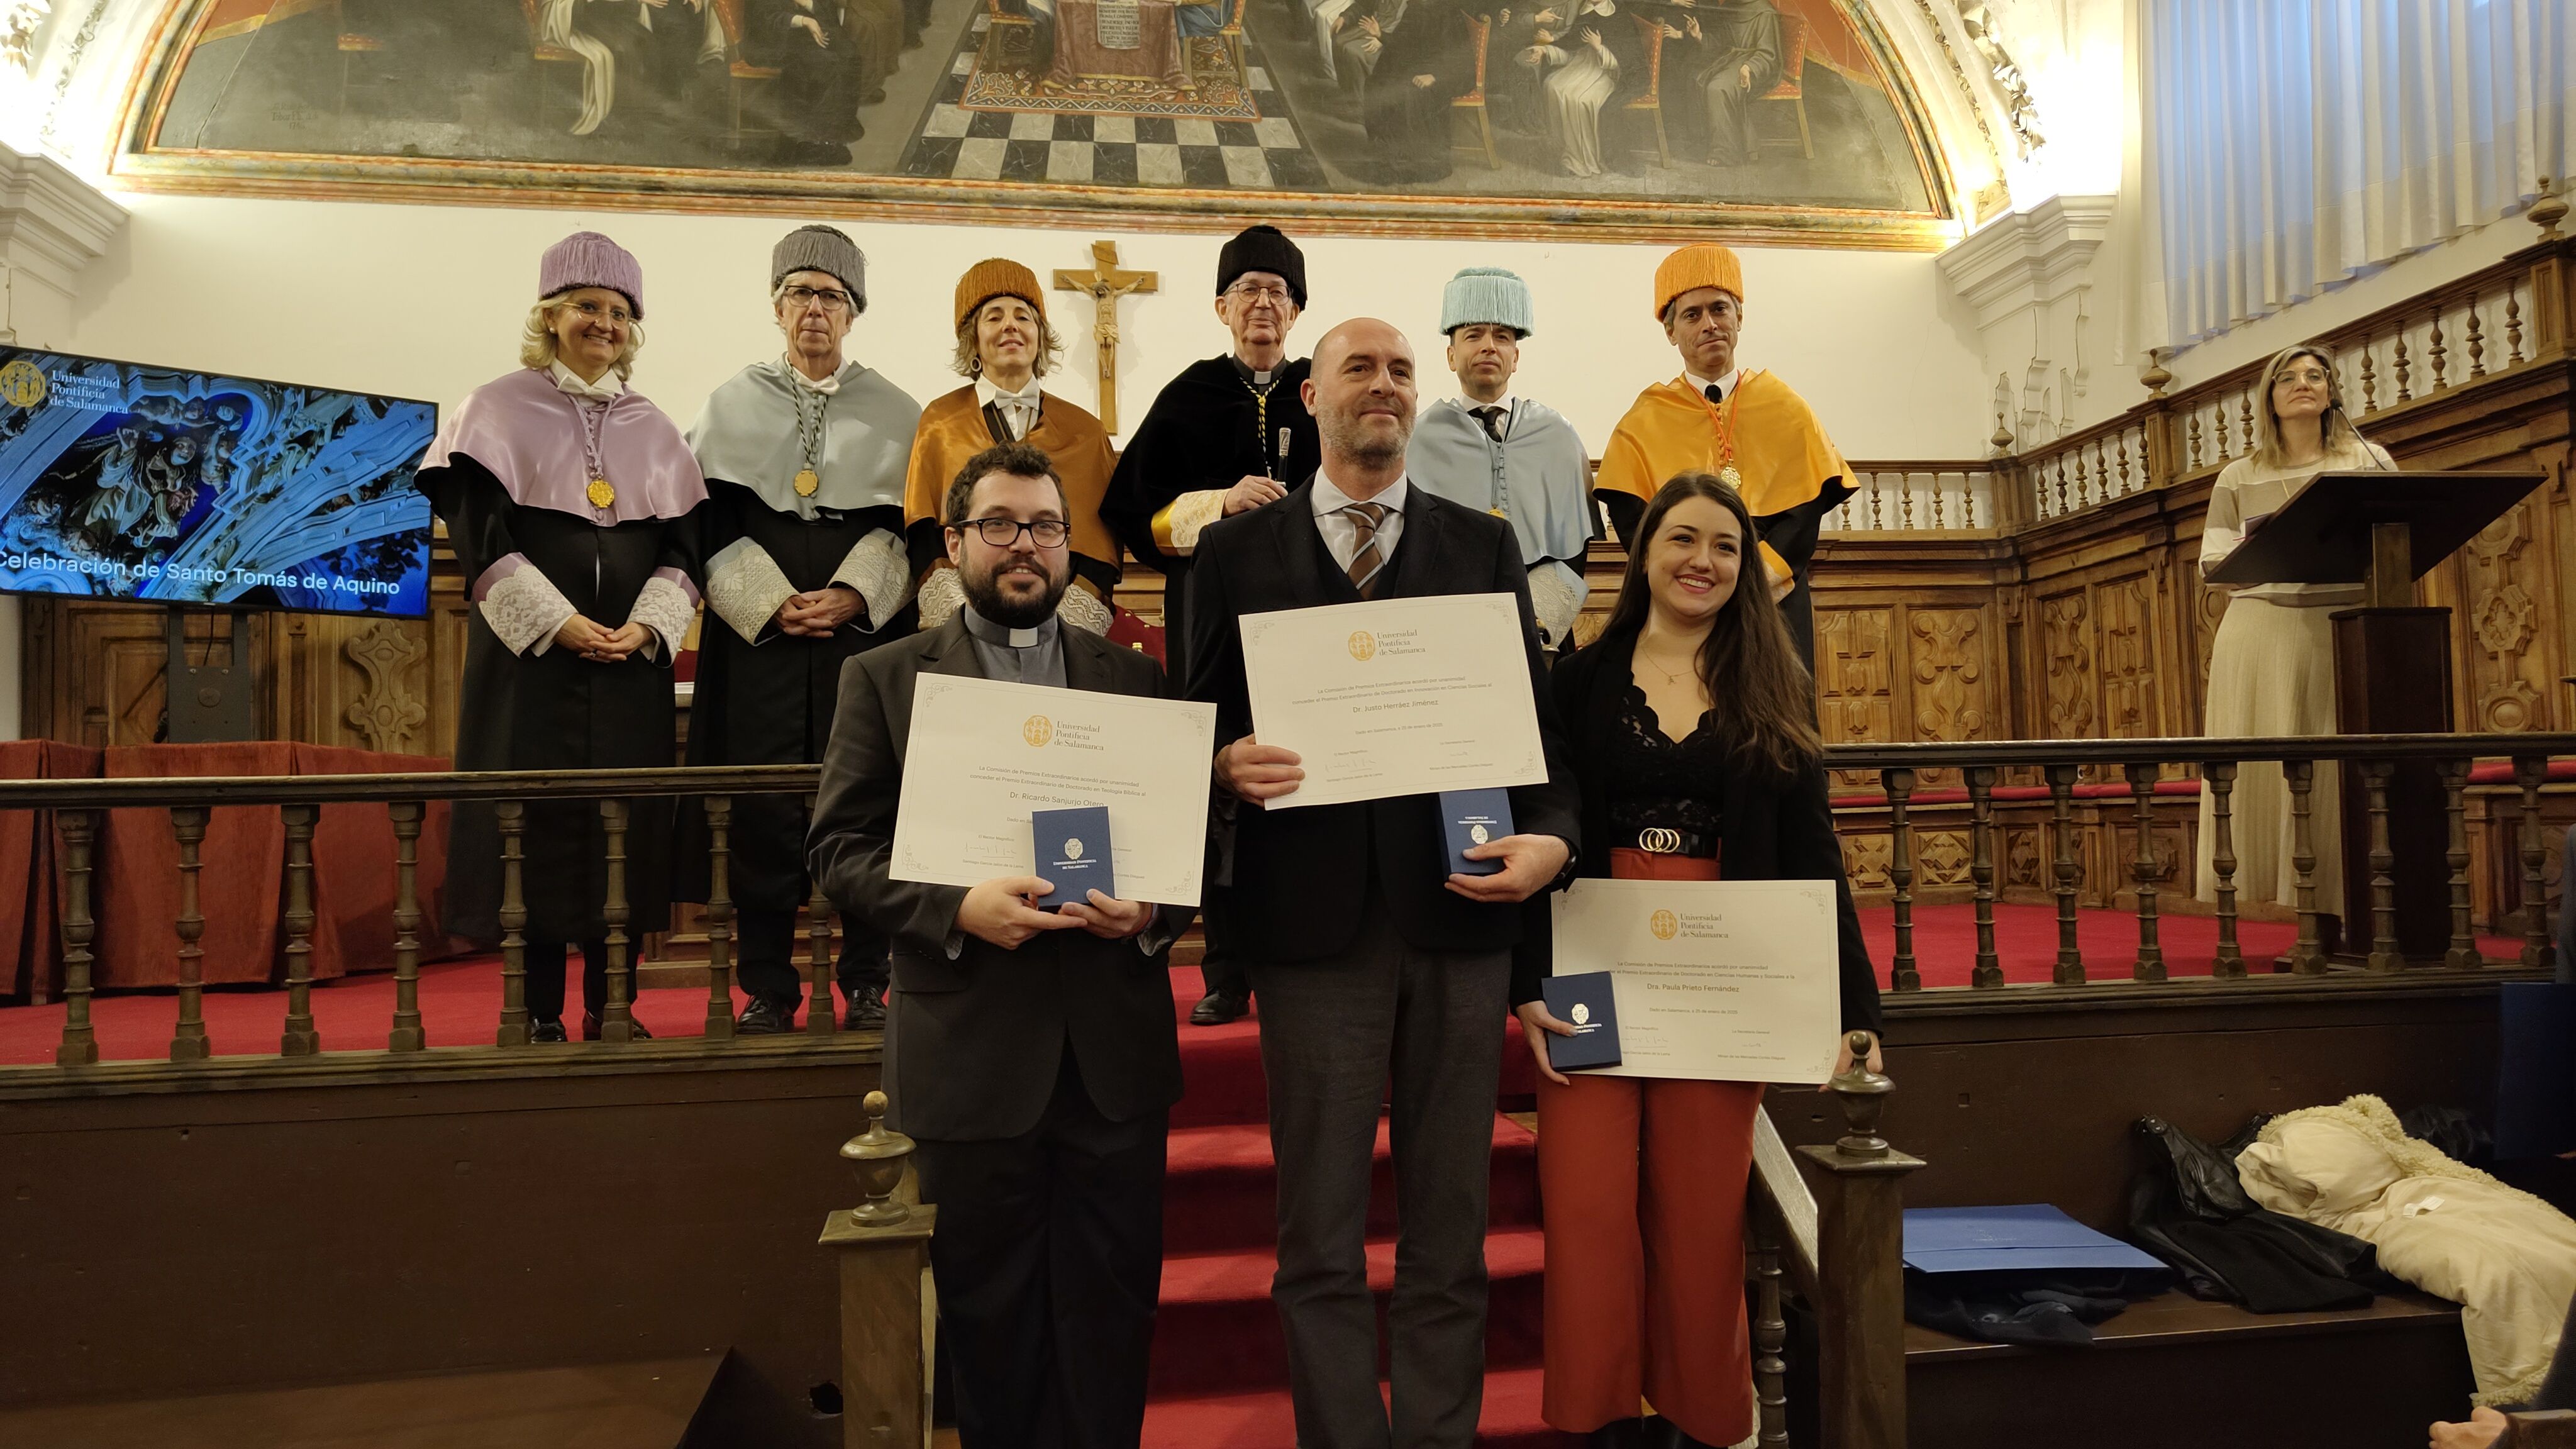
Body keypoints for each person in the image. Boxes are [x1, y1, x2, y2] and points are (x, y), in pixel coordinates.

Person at [1184, 317, 1581, 1449]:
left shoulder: (1480, 544)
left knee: (1448, 1232)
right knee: (1318, 1234)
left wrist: (1551, 835)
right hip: (1310, 934)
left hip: (1460, 921)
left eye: (1401, 370)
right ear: (1308, 395)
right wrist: (1220, 763)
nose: (1384, 386)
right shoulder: (1233, 556)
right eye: (1359, 367)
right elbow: (1194, 720)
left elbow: (1533, 729)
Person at [806, 441, 1191, 1449]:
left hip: (1112, 1055)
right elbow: (840, 850)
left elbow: (1190, 852)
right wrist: (953, 906)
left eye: (1047, 528)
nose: (1026, 546)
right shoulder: (885, 678)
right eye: (1002, 526)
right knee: (989, 1316)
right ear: (954, 544)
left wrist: (1153, 911)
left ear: (1071, 547)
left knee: (1113, 1311)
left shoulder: (1134, 680)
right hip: (970, 1051)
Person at [1510, 471, 1880, 1449]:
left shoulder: (1772, 682)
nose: (1701, 561)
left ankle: (1699, 1419)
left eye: (1723, 545)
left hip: (1729, 972)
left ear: (1742, 567)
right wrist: (1523, 987)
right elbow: (1534, 825)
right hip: (1593, 963)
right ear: (1644, 554)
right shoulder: (1581, 680)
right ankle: (1599, 1419)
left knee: (1702, 1213)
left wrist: (1855, 1007)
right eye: (1681, 539)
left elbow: (1813, 852)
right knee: (1587, 1205)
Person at [414, 231, 706, 1042]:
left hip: (628, 673)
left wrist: (645, 627)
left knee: (622, 833)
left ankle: (614, 1006)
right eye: (587, 307)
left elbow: (686, 553)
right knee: (535, 837)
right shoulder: (494, 408)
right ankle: (540, 1011)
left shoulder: (656, 427)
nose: (603, 324)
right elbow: (481, 540)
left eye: (618, 313)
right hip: (532, 672)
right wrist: (562, 626)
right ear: (550, 316)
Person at [683, 225, 921, 1035]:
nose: (814, 310)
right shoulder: (728, 403)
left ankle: (866, 980)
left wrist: (857, 593)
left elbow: (913, 530)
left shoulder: (896, 410)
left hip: (861, 641)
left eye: (830, 296)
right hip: (764, 644)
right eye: (798, 295)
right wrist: (766, 599)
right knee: (761, 808)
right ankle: (768, 987)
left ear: (853, 313)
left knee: (868, 799)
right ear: (777, 309)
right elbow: (707, 523)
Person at [1101, 223, 1322, 1028]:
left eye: (1278, 293)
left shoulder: (1319, 388)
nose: (1263, 306)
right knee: (1219, 783)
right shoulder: (1188, 395)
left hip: (1308, 628)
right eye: (1249, 292)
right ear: (1222, 307)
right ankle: (1226, 970)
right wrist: (1217, 503)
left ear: (1296, 311)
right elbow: (1133, 517)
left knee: (1302, 779)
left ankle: (1299, 957)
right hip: (1212, 619)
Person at [2193, 343, 2392, 940]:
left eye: (2315, 376)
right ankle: (2303, 914)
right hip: (2261, 631)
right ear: (2270, 398)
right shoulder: (2240, 474)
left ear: (2332, 392)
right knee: (2269, 770)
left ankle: (2349, 911)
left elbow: (2398, 536)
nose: (2304, 384)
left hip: (2340, 629)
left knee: (2335, 771)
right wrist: (2273, 548)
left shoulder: (2368, 461)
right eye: (2288, 378)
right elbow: (2211, 561)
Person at [1596, 242, 1850, 666]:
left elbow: (1804, 515)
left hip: (1773, 601)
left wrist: (1751, 582)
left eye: (1720, 309)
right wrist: (1691, 581)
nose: (1709, 324)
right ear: (1671, 331)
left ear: (1740, 318)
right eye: (1693, 315)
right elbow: (1633, 524)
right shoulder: (1644, 419)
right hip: (1684, 604)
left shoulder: (1786, 407)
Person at [904, 258, 1121, 638]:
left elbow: (1098, 549)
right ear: (973, 338)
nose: (1010, 326)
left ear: (1040, 336)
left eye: (1024, 316)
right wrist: (968, 623)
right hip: (965, 621)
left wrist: (1058, 631)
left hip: (1061, 625)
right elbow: (924, 533)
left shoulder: (1085, 431)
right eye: (994, 317)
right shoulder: (940, 423)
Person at [1405, 266, 1595, 650]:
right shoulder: (1417, 438)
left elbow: (1574, 549)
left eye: (1503, 337)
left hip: (1544, 628)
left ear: (1515, 356)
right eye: (1473, 335)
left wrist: (1538, 620)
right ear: (1451, 355)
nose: (1489, 346)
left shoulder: (1558, 435)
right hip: (1450, 623)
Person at [1515, 0, 1648, 178]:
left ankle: (1583, 160)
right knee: (1553, 85)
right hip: (1582, 63)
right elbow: (1571, 46)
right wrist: (1544, 50)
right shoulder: (1585, 10)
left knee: (1580, 99)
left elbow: (1627, 60)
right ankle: (1565, 151)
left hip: (1607, 72)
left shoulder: (1617, 13)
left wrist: (1599, 47)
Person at [1358, 0, 1479, 184]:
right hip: (1414, 69)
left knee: (1407, 94)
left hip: (1440, 79)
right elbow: (1403, 45)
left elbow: (1461, 61)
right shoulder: (1416, 8)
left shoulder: (1448, 12)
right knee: (1377, 86)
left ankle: (1413, 166)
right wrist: (1380, 34)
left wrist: (1435, 76)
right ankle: (1386, 159)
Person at [1680, 0, 1784, 166]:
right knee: (1695, 77)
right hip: (1732, 60)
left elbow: (1768, 55)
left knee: (1718, 88)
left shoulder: (1765, 12)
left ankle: (1725, 152)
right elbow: (1722, 41)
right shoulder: (1733, 6)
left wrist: (1749, 67)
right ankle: (1703, 141)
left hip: (1756, 67)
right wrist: (1699, 35)